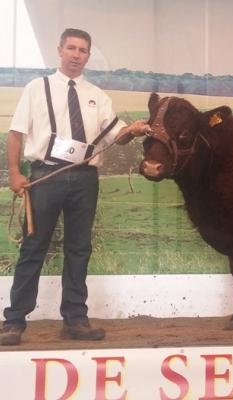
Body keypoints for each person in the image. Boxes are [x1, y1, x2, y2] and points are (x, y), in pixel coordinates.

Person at [0, 28, 149, 345]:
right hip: (46, 175)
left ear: (88, 56)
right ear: (60, 50)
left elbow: (116, 137)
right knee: (33, 247)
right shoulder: (36, 88)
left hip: (84, 178)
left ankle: (75, 320)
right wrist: (15, 173)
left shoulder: (98, 96)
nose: (76, 55)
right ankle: (14, 322)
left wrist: (133, 131)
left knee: (79, 248)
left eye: (82, 50)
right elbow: (16, 134)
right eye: (71, 48)